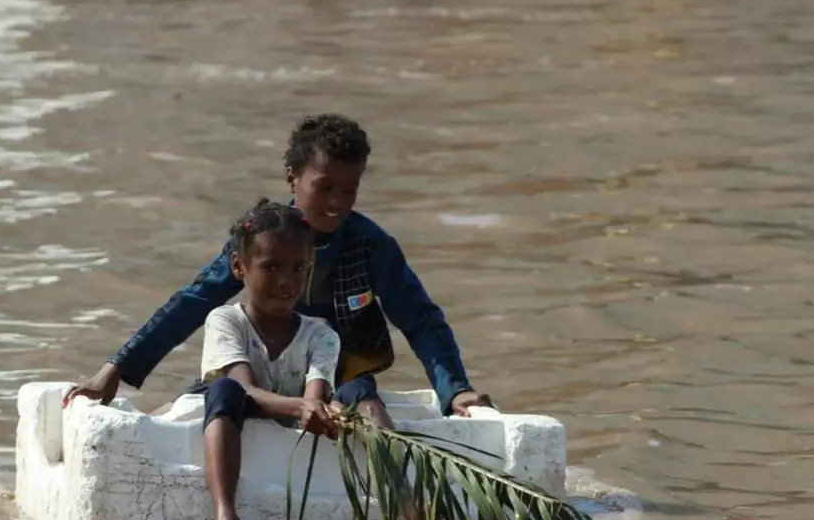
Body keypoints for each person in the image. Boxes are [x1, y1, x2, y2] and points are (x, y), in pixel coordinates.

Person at [64, 112, 494, 424]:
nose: (337, 203)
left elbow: (421, 319)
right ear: (292, 179)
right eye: (324, 187)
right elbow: (192, 303)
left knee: (363, 401)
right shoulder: (262, 238)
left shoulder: (371, 245)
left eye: (350, 190)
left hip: (333, 384)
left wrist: (455, 389)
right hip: (257, 379)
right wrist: (115, 370)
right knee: (178, 412)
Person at [165, 199, 346, 520]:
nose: (286, 281)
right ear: (239, 267)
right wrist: (300, 407)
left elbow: (315, 394)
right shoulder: (225, 321)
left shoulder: (321, 335)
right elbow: (243, 389)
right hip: (225, 401)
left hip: (268, 410)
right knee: (223, 390)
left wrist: (316, 408)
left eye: (299, 268)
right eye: (271, 267)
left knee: (360, 391)